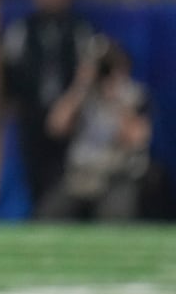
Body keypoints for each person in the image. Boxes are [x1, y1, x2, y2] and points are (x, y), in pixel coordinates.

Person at [0, 0, 97, 212]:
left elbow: (87, 71)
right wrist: (13, 106)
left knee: (67, 174)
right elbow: (9, 72)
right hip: (32, 113)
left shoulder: (79, 29)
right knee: (34, 171)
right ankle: (40, 215)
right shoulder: (23, 29)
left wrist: (71, 106)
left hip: (70, 114)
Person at [37, 37, 152, 221]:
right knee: (49, 214)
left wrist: (115, 98)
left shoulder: (133, 95)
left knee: (116, 215)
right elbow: (55, 126)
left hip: (115, 177)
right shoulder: (83, 95)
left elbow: (138, 138)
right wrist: (81, 86)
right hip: (80, 176)